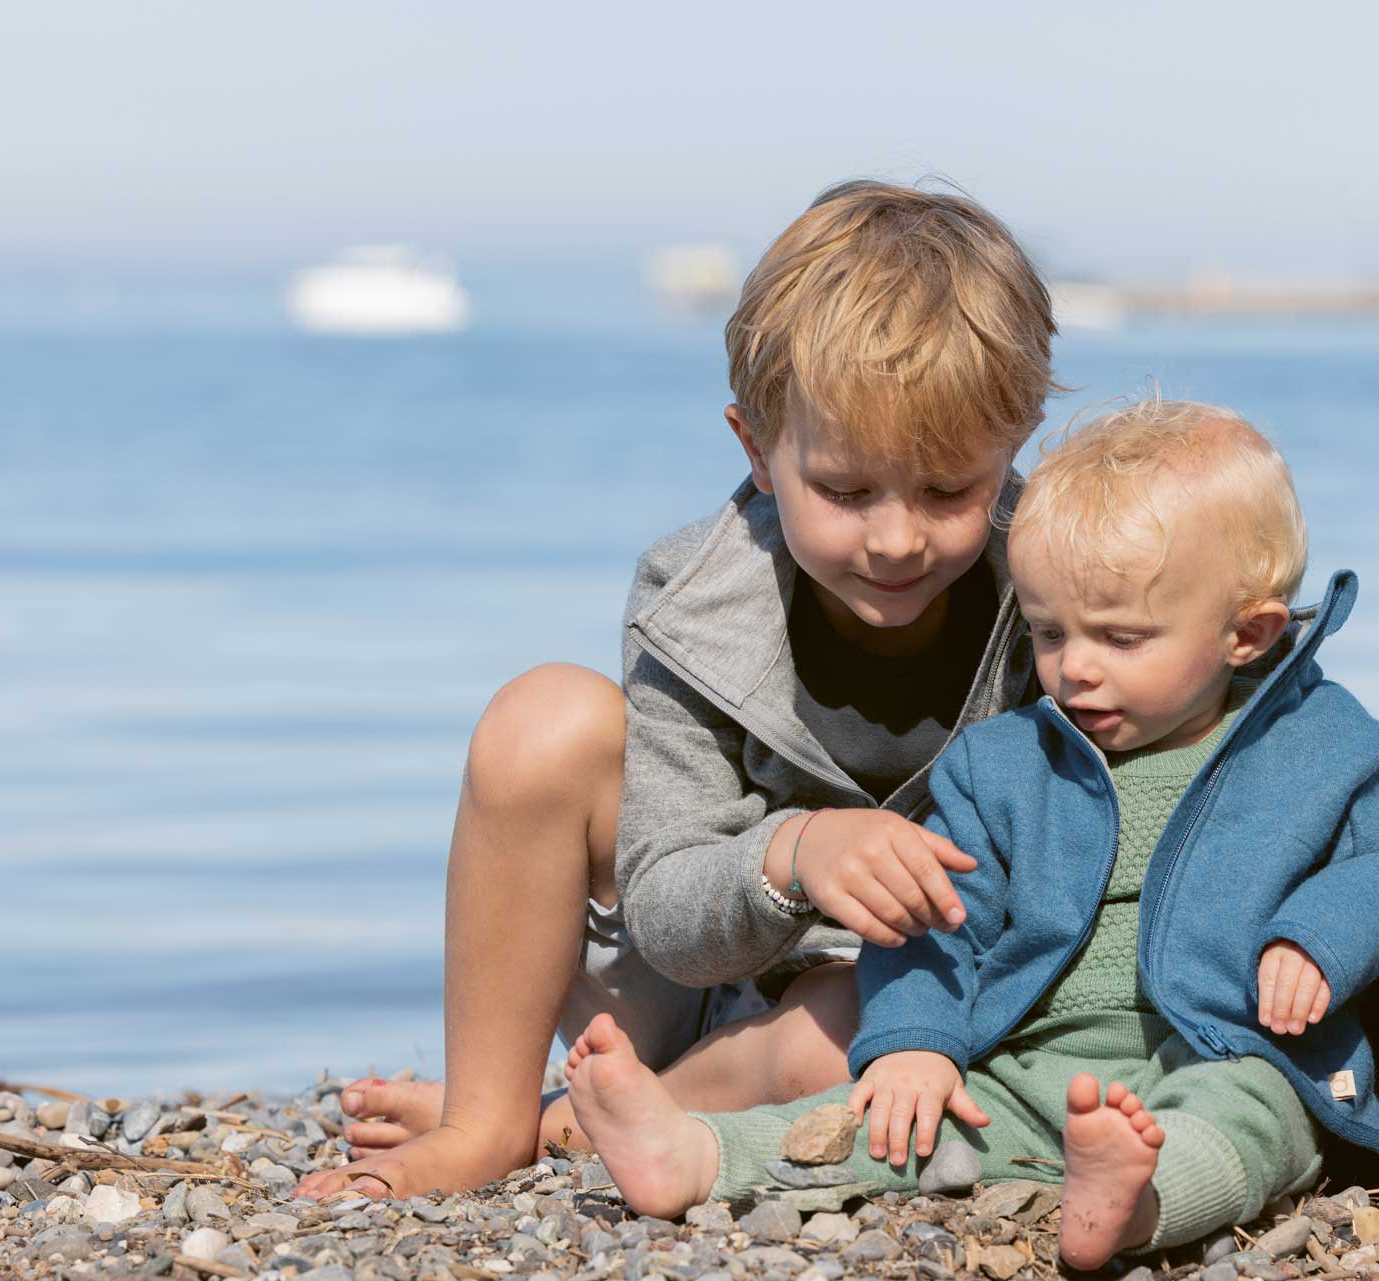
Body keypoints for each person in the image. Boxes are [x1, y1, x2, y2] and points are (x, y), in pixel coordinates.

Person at [297, 180, 1059, 1201]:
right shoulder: (697, 596)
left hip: (904, 1002)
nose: (896, 537)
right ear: (757, 446)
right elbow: (665, 908)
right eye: (844, 490)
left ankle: (575, 1123)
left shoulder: (1060, 581)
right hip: (702, 968)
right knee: (542, 722)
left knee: (850, 1041)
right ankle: (486, 1118)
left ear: (1013, 447)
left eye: (948, 490)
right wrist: (795, 855)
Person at [560, 398, 1379, 1268]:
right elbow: (941, 914)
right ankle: (701, 1154)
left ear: (1247, 634)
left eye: (1121, 637)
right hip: (1029, 1061)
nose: (1075, 668)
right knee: (900, 1119)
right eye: (1049, 631)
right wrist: (914, 1039)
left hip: (1229, 1043)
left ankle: (1134, 1201)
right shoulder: (1008, 764)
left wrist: (1318, 939)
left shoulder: (1324, 744)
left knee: (1252, 1119)